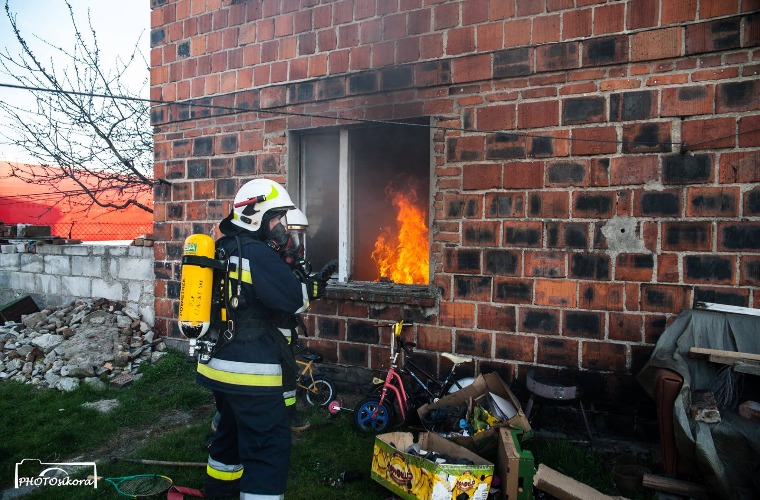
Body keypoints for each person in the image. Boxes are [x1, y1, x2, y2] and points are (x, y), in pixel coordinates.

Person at [198, 178, 325, 500]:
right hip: (250, 371)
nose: (279, 225)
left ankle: (219, 494)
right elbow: (291, 301)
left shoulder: (222, 248)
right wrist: (311, 288)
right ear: (256, 215)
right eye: (275, 217)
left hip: (216, 365)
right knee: (267, 447)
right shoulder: (257, 255)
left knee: (229, 434)